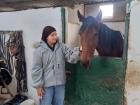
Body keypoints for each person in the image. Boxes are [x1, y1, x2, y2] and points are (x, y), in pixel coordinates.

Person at [31, 26, 80, 105]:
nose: (55, 37)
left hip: (60, 84)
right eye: (52, 35)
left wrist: (79, 50)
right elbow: (36, 69)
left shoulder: (61, 47)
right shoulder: (39, 51)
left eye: (55, 34)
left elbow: (71, 57)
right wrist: (38, 86)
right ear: (46, 37)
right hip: (46, 86)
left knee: (59, 103)